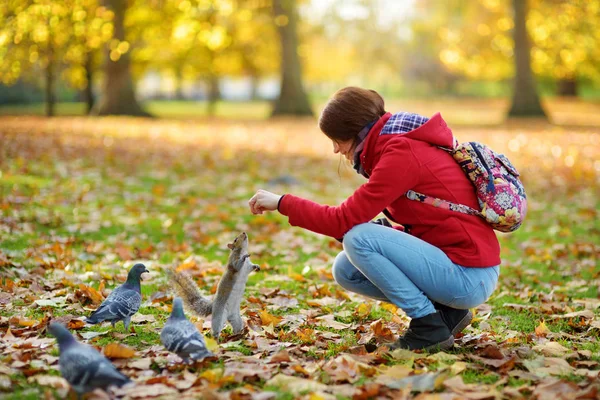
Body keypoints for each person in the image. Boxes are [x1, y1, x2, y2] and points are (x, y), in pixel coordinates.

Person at [248, 87, 500, 351]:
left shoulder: (401, 154)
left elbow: (341, 221)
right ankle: (446, 312)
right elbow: (429, 219)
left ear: (357, 132)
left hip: (469, 275)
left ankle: (428, 325)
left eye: (338, 139)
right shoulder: (394, 147)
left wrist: (282, 203)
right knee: (346, 269)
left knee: (359, 238)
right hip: (456, 267)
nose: (335, 149)